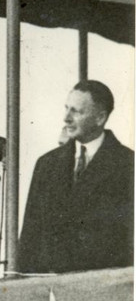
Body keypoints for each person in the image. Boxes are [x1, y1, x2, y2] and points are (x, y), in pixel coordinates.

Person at [19, 80, 134, 273]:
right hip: (51, 285)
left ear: (100, 118)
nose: (66, 118)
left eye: (76, 111)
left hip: (104, 285)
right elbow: (30, 237)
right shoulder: (46, 164)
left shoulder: (128, 165)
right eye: (66, 108)